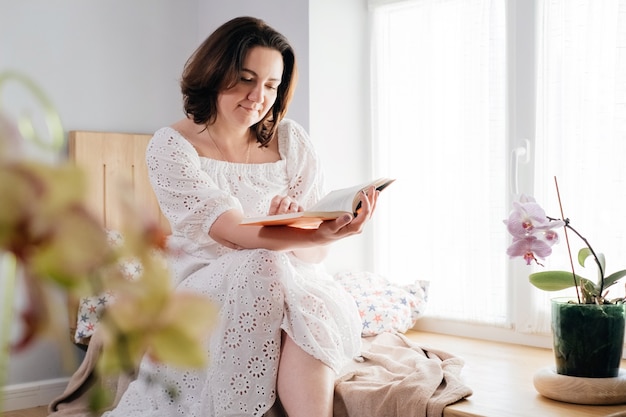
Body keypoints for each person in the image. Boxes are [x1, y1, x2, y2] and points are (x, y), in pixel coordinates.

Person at [103, 16, 378, 417]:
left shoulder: (291, 139)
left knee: (307, 305)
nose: (258, 96)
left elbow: (314, 259)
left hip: (290, 276)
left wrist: (316, 228)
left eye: (271, 85)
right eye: (246, 79)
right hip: (204, 276)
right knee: (263, 260)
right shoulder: (171, 146)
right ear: (215, 74)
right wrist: (315, 234)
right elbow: (231, 234)